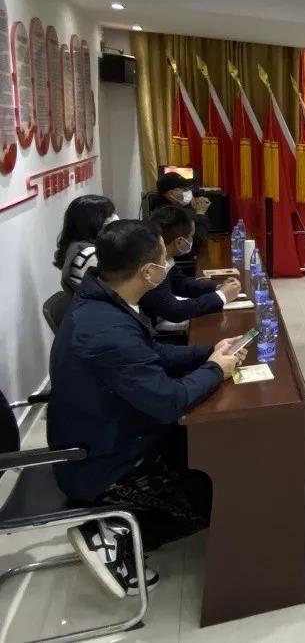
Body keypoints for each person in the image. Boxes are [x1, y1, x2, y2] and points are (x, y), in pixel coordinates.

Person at [47, 220, 246, 597]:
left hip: (110, 431)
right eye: (162, 260)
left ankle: (121, 525)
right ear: (148, 271)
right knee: (218, 496)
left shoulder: (101, 300)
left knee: (218, 451)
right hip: (104, 463)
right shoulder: (107, 332)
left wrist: (209, 351)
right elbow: (168, 403)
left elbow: (153, 355)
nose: (166, 267)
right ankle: (110, 533)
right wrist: (215, 370)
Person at [140, 206, 242, 325]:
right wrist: (220, 296)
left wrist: (217, 288)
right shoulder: (151, 267)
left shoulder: (166, 258)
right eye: (191, 236)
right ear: (180, 241)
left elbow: (179, 283)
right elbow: (174, 310)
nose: (192, 240)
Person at [55, 194, 117, 293]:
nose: (114, 217)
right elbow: (116, 289)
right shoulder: (90, 255)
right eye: (109, 215)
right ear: (93, 221)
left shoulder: (76, 245)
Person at [150, 172, 211, 255]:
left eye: (188, 189)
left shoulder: (177, 205)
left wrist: (194, 202)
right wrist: (201, 213)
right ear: (171, 193)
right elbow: (198, 239)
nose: (188, 192)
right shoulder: (168, 215)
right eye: (184, 189)